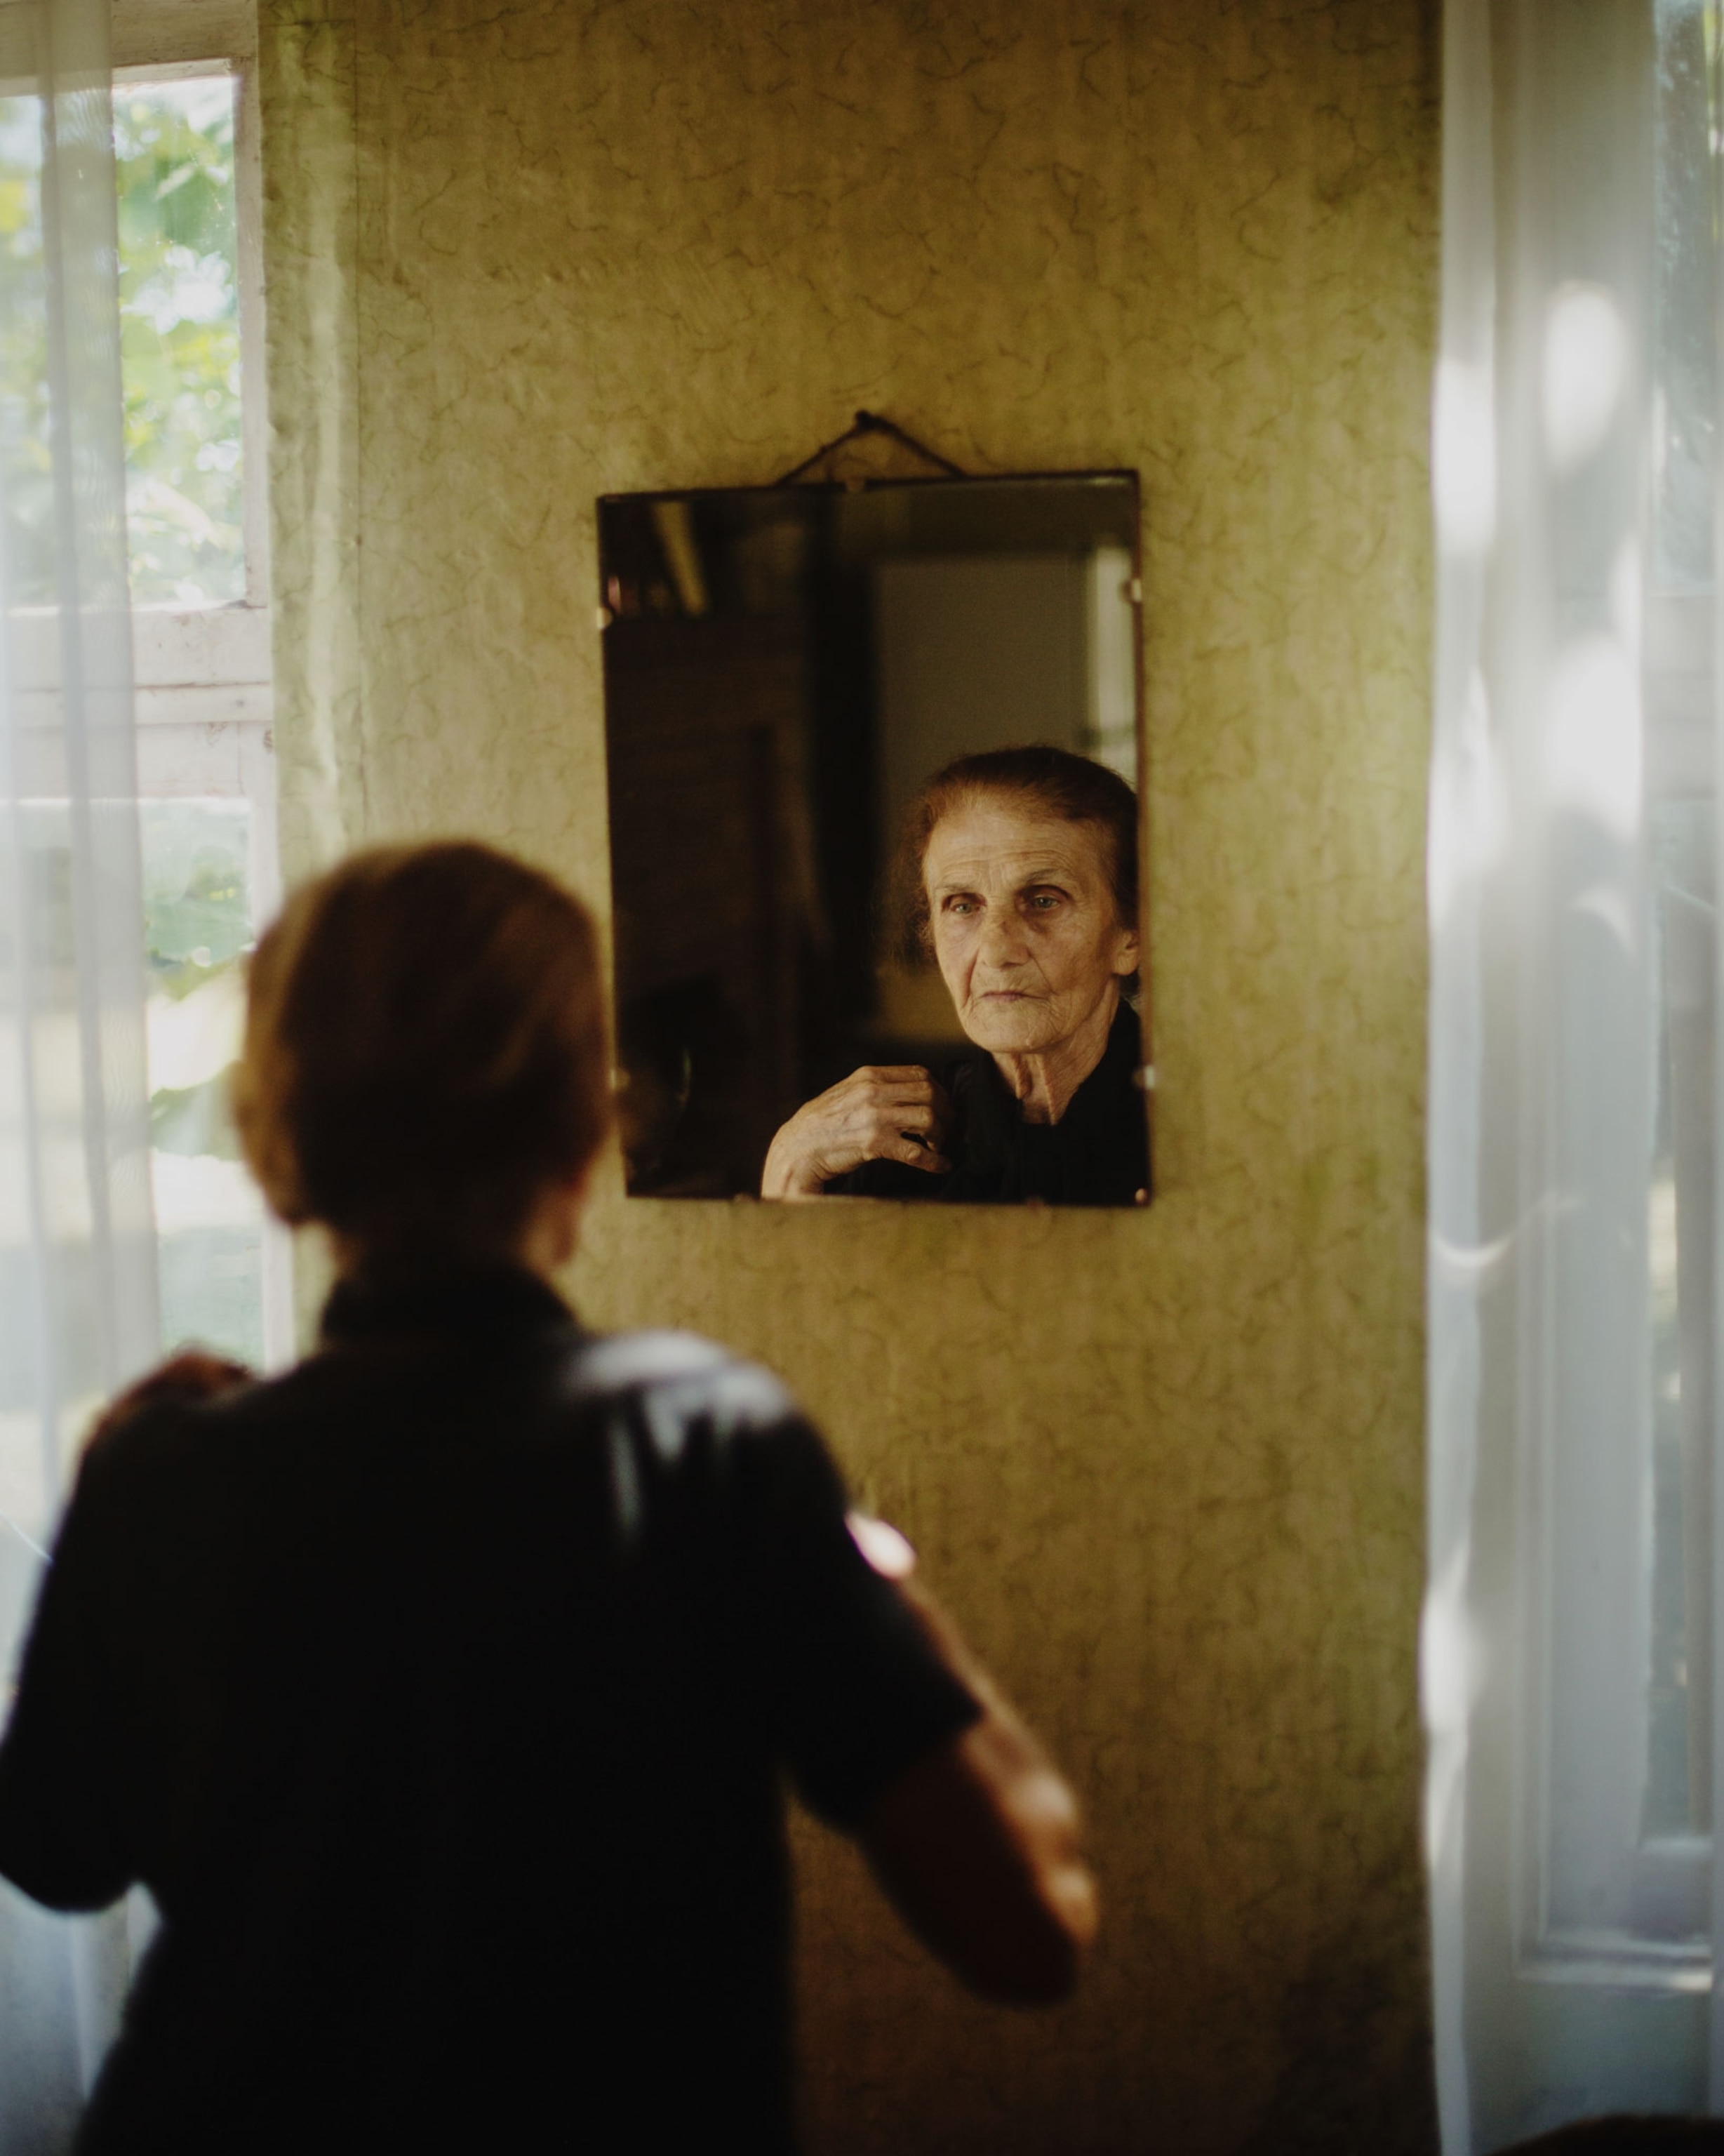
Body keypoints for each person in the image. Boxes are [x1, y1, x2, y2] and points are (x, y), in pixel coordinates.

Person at [0, 841, 1096, 2156]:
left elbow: (56, 1856)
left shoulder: (165, 1467)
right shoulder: (705, 1447)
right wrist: (875, 1584)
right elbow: (1029, 1928)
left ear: (274, 1130)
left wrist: (121, 1504)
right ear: (590, 1116)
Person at [762, 745, 1150, 1206]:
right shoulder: (885, 1147)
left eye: (1043, 899)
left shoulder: (1206, 1134)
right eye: (962, 905)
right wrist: (785, 1170)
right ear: (931, 935)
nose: (996, 950)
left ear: (1130, 936)